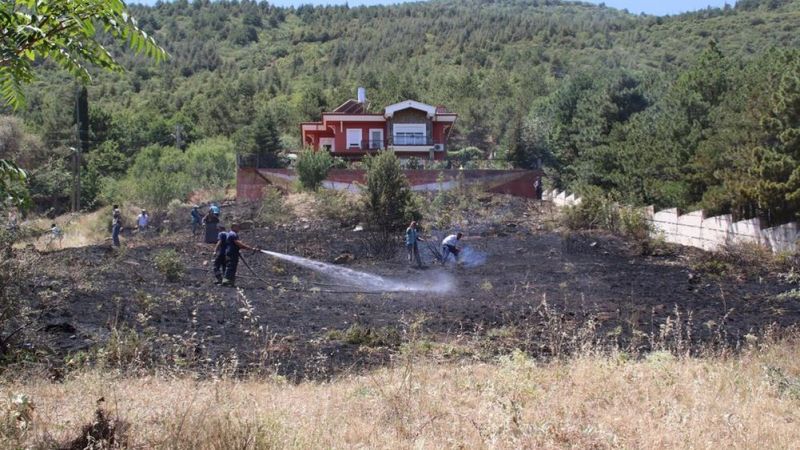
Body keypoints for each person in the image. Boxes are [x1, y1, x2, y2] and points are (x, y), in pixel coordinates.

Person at [221, 223, 259, 287]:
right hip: (232, 253)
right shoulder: (233, 234)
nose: (239, 228)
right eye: (237, 227)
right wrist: (251, 248)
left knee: (232, 267)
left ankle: (230, 282)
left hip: (232, 252)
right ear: (233, 227)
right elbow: (239, 244)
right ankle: (225, 282)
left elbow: (239, 245)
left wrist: (250, 248)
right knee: (230, 267)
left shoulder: (232, 234)